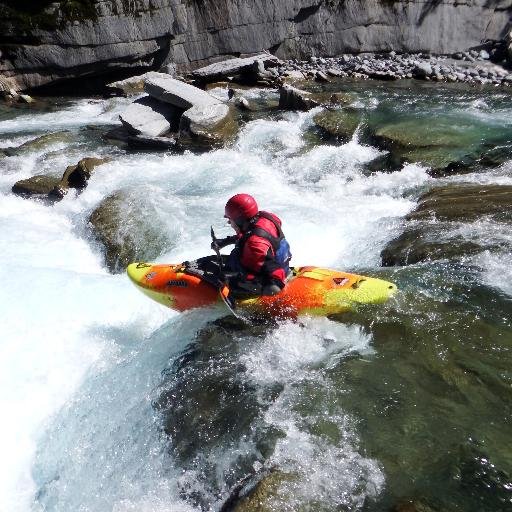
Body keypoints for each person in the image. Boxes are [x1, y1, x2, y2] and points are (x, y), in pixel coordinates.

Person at [212, 193, 292, 298]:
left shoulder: (254, 245)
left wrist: (233, 279)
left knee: (230, 273)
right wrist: (225, 241)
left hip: (273, 277)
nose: (230, 223)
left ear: (240, 221)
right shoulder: (266, 217)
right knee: (238, 251)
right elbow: (254, 235)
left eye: (230, 220)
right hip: (281, 263)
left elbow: (275, 284)